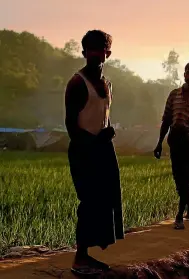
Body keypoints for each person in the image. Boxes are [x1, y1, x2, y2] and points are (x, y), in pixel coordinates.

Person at [65, 30, 124, 275]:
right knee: (88, 203)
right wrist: (93, 141)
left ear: (108, 53)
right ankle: (80, 259)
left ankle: (87, 256)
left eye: (101, 50)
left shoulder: (108, 84)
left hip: (103, 149)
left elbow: (103, 117)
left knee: (105, 200)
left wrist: (107, 132)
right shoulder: (77, 83)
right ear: (84, 52)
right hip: (84, 150)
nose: (96, 54)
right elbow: (71, 125)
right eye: (91, 50)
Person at [154, 62, 189, 230]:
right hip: (176, 140)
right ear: (184, 74)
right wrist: (159, 144)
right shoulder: (174, 95)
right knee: (178, 178)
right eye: (188, 72)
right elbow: (166, 120)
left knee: (187, 177)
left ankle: (179, 215)